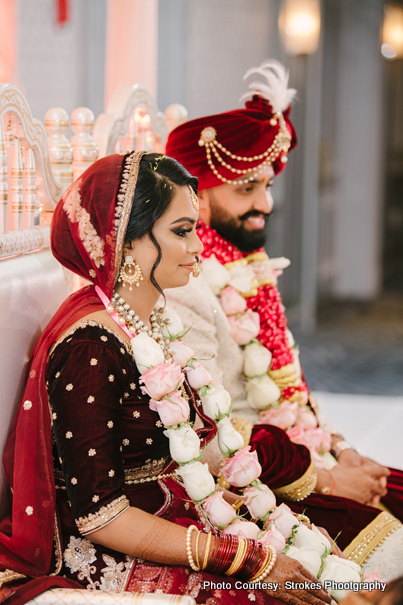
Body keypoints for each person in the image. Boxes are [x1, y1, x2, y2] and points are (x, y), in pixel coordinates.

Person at [0, 151, 335, 605]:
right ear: (125, 242)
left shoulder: (150, 321)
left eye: (194, 228)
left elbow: (184, 463)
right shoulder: (90, 349)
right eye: (181, 231)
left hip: (174, 514)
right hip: (105, 551)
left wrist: (270, 529)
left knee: (327, 571)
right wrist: (243, 558)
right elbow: (101, 517)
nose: (197, 247)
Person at [164, 60, 403, 578]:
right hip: (250, 482)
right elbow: (211, 430)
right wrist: (329, 478)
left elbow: (291, 391)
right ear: (194, 196)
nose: (266, 204)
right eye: (246, 189)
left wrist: (343, 449)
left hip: (301, 453)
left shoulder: (245, 264)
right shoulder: (188, 285)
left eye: (267, 187)